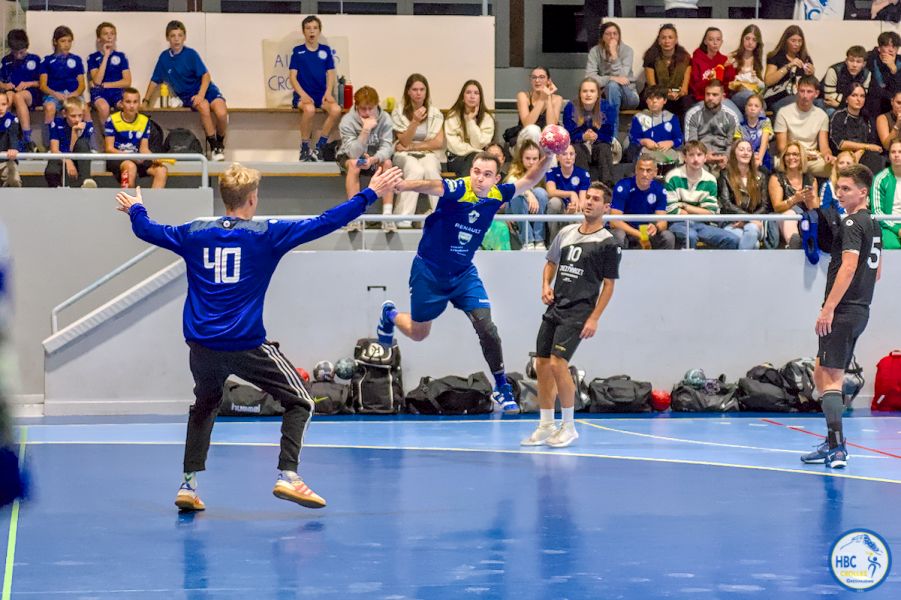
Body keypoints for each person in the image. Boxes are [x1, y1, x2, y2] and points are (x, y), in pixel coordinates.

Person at [115, 162, 404, 511]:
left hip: (202, 346)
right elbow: (326, 221)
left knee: (205, 405)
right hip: (246, 344)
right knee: (301, 401)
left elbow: (149, 231)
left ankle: (188, 485)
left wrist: (136, 208)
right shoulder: (266, 234)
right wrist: (370, 193)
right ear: (252, 199)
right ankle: (288, 475)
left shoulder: (193, 232)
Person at [375, 150, 554, 414]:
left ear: (496, 178)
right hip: (429, 272)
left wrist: (548, 156)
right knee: (419, 332)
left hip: (463, 274)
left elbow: (529, 179)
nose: (479, 179)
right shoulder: (459, 188)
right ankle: (389, 314)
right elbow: (432, 186)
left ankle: (501, 385)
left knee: (487, 328)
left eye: (487, 175)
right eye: (476, 172)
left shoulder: (496, 195)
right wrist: (403, 185)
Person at [521, 182, 621, 448]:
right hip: (556, 306)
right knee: (541, 363)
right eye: (588, 197)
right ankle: (546, 424)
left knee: (557, 363)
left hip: (580, 309)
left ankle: (569, 426)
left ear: (605, 206)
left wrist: (594, 318)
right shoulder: (565, 232)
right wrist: (545, 285)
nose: (589, 202)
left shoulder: (608, 243)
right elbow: (550, 263)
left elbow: (609, 285)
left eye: (596, 199)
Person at [800, 164, 881, 469]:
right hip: (861, 309)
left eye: (846, 188)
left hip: (844, 310)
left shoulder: (851, 224)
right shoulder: (874, 225)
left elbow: (848, 267)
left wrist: (828, 308)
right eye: (839, 188)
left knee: (830, 378)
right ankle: (832, 440)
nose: (840, 193)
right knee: (822, 371)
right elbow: (877, 271)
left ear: (863, 191)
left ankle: (837, 448)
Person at [144, 20, 228, 161]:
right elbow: (154, 80)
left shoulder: (191, 54)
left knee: (221, 112)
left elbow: (206, 76)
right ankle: (214, 147)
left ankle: (220, 141)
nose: (176, 39)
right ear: (167, 38)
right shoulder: (164, 58)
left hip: (206, 90)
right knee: (204, 107)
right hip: (188, 95)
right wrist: (146, 100)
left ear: (184, 37)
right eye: (173, 36)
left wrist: (201, 94)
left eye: (179, 35)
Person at [336, 85, 395, 230]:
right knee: (355, 164)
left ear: (377, 105)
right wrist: (365, 130)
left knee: (387, 163)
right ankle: (353, 216)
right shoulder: (347, 121)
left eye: (371, 108)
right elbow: (352, 152)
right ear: (356, 106)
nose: (367, 113)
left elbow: (387, 147)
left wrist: (373, 159)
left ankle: (387, 217)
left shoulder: (386, 119)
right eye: (363, 109)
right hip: (352, 155)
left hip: (375, 157)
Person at [390, 73, 445, 226]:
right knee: (415, 170)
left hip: (427, 153)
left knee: (431, 170)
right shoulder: (399, 112)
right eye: (415, 89)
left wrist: (414, 146)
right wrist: (414, 121)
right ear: (408, 91)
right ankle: (403, 221)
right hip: (402, 155)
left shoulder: (435, 113)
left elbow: (438, 143)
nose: (419, 93)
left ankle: (439, 216)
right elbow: (404, 141)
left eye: (422, 89)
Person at [289, 15, 343, 162]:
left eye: (315, 28)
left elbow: (331, 74)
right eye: (308, 28)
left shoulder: (325, 50)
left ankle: (320, 146)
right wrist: (303, 95)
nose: (311, 31)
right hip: (304, 96)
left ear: (319, 31)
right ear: (303, 31)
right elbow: (292, 76)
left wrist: (328, 93)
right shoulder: (298, 51)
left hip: (321, 95)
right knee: (309, 110)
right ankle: (305, 147)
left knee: (336, 110)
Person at [665, 140, 737, 249]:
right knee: (691, 236)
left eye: (699, 155)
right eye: (691, 155)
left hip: (701, 224)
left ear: (705, 158)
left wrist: (685, 206)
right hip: (678, 223)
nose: (695, 159)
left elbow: (711, 212)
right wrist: (699, 211)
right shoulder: (673, 176)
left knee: (732, 239)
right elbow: (671, 209)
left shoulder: (710, 179)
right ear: (685, 157)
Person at [104, 87, 168, 189]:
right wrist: (131, 156)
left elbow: (144, 149)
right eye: (128, 102)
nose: (132, 106)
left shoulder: (145, 121)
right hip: (118, 159)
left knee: (161, 170)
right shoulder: (112, 120)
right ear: (121, 103)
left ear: (139, 103)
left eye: (135, 102)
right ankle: (130, 203)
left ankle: (154, 203)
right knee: (130, 166)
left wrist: (154, 157)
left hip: (138, 159)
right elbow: (109, 149)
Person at [610, 154, 676, 249]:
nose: (644, 174)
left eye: (648, 170)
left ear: (655, 172)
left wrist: (656, 228)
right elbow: (614, 221)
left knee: (668, 236)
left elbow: (662, 222)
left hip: (647, 231)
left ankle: (663, 263)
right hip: (627, 231)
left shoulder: (660, 190)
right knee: (618, 235)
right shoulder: (623, 186)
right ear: (636, 170)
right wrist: (639, 234)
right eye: (641, 169)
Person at [774, 75, 834, 178]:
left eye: (809, 92)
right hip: (790, 156)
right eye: (802, 91)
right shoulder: (783, 112)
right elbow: (781, 147)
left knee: (836, 168)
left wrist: (828, 155)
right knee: (778, 163)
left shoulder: (822, 115)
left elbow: (824, 147)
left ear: (816, 94)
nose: (805, 95)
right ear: (797, 90)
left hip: (812, 159)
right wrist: (800, 155)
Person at [562, 77, 616, 185]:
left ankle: (607, 187)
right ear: (580, 94)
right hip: (579, 143)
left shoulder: (607, 107)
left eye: (592, 91)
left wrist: (597, 136)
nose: (588, 94)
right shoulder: (570, 107)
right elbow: (568, 134)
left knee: (604, 148)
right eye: (585, 91)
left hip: (599, 143)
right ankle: (583, 186)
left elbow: (609, 134)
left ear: (598, 94)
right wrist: (583, 136)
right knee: (577, 149)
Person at [39, 26, 85, 150]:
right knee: (49, 108)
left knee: (85, 108)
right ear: (55, 41)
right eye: (63, 41)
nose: (66, 45)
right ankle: (49, 146)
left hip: (73, 95)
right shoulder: (46, 61)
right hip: (54, 95)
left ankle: (84, 144)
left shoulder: (76, 59)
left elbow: (82, 85)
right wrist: (55, 94)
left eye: (69, 41)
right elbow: (43, 85)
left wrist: (74, 94)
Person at [718, 139, 770, 249]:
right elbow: (726, 203)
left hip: (755, 222)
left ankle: (739, 266)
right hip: (731, 222)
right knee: (753, 244)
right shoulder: (725, 175)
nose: (745, 153)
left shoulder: (761, 176)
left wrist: (748, 219)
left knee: (751, 230)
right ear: (734, 153)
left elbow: (765, 206)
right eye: (741, 150)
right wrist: (746, 218)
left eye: (749, 150)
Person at [586, 22, 639, 126]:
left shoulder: (627, 51)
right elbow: (589, 78)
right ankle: (610, 137)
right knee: (612, 85)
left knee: (613, 86)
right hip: (606, 95)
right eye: (608, 34)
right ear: (602, 37)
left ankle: (611, 137)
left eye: (615, 34)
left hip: (629, 95)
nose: (612, 37)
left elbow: (622, 77)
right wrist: (611, 78)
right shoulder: (595, 51)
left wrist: (614, 55)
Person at [684, 79, 740, 172]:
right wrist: (704, 156)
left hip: (723, 157)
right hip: (699, 157)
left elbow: (733, 143)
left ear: (723, 97)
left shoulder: (731, 116)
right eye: (708, 94)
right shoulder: (693, 114)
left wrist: (726, 157)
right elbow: (691, 143)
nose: (710, 98)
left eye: (715, 95)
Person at [828, 82, 885, 174]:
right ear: (846, 99)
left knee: (877, 158)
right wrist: (866, 147)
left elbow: (871, 141)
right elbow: (840, 144)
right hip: (841, 155)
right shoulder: (838, 116)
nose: (858, 99)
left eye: (862, 96)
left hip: (863, 154)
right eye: (854, 95)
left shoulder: (867, 118)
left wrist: (861, 150)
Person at [769, 141, 817, 248]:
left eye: (795, 154)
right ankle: (793, 243)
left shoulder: (810, 179)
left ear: (802, 157)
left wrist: (808, 200)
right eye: (787, 154)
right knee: (790, 213)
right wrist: (794, 199)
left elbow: (815, 208)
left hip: (804, 218)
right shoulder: (776, 178)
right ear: (783, 158)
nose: (791, 157)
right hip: (783, 218)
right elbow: (777, 207)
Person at [0, 29, 42, 152]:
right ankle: (5, 133)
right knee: (9, 96)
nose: (18, 55)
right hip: (13, 92)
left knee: (19, 97)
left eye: (21, 52)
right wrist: (5, 85)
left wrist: (28, 83)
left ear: (26, 46)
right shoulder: (6, 60)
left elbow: (42, 83)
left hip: (31, 94)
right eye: (15, 52)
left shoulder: (35, 59)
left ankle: (27, 138)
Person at [642, 24, 692, 121]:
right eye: (663, 38)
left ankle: (682, 135)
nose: (667, 41)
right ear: (659, 40)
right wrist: (666, 94)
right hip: (656, 93)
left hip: (677, 95)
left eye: (670, 37)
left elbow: (685, 89)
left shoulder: (685, 58)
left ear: (676, 40)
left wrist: (678, 94)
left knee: (687, 101)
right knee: (657, 101)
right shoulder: (651, 56)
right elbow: (652, 86)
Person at [444, 79, 495, 177]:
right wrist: (475, 151)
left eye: (476, 93)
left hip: (478, 159)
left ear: (480, 97)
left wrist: (471, 121)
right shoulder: (453, 115)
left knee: (476, 162)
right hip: (456, 158)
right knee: (475, 161)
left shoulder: (487, 118)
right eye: (468, 93)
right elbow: (454, 146)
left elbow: (478, 144)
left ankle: (466, 191)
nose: (472, 96)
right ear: (462, 97)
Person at [506, 140, 549, 250]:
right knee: (517, 194)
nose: (531, 162)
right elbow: (512, 184)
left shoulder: (543, 171)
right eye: (528, 158)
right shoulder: (515, 170)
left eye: (535, 159)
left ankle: (539, 240)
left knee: (541, 192)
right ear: (521, 158)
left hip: (536, 210)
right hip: (517, 208)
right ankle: (527, 240)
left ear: (539, 159)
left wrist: (533, 195)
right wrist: (528, 193)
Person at [45, 96, 96, 188]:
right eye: (73, 116)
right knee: (51, 169)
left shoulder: (87, 126)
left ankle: (86, 181)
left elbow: (75, 150)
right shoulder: (57, 123)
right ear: (64, 114)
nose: (77, 119)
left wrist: (74, 132)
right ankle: (56, 190)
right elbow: (54, 149)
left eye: (80, 116)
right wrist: (67, 160)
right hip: (60, 157)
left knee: (82, 143)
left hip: (78, 159)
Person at [763, 25, 815, 114]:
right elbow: (768, 81)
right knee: (797, 102)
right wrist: (788, 66)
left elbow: (809, 84)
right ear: (786, 41)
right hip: (778, 97)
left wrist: (811, 74)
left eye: (800, 41)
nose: (797, 44)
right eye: (793, 41)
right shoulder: (775, 57)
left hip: (800, 95)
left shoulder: (805, 58)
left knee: (818, 103)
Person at [88, 22, 131, 127]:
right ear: (99, 38)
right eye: (105, 34)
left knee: (129, 105)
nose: (109, 36)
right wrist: (106, 56)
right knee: (103, 107)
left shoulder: (121, 57)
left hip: (117, 92)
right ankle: (107, 139)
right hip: (100, 93)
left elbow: (127, 82)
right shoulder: (93, 58)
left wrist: (106, 85)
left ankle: (126, 138)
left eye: (112, 33)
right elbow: (97, 81)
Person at [545, 143, 590, 245]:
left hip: (574, 210)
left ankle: (576, 245)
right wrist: (571, 193)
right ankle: (554, 243)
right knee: (554, 202)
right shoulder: (551, 172)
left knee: (579, 214)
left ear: (575, 157)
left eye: (571, 154)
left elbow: (582, 202)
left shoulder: (583, 174)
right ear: (557, 157)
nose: (568, 157)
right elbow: (550, 191)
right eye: (564, 154)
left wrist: (573, 209)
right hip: (559, 211)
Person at [506, 67, 562, 149]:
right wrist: (542, 99)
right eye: (534, 77)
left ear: (549, 81)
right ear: (530, 80)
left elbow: (551, 126)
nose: (537, 80)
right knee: (533, 130)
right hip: (525, 141)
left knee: (552, 139)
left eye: (541, 77)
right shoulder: (523, 96)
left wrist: (548, 97)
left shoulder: (557, 99)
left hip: (546, 144)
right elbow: (527, 125)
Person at [627, 85, 682, 166]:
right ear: (646, 101)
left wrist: (671, 142)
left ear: (665, 100)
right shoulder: (638, 118)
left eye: (658, 98)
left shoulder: (672, 118)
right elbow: (632, 139)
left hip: (666, 156)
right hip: (643, 157)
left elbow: (679, 138)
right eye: (650, 98)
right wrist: (643, 141)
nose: (654, 101)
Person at [689, 27, 738, 114]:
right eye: (711, 39)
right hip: (703, 99)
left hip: (722, 99)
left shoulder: (724, 60)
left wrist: (729, 68)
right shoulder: (696, 60)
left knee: (736, 115)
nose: (715, 43)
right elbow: (695, 86)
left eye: (718, 40)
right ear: (705, 41)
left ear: (721, 42)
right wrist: (715, 73)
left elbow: (729, 84)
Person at [727, 25, 766, 115]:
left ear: (757, 43)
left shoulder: (760, 60)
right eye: (747, 38)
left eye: (754, 40)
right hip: (737, 95)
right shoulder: (733, 57)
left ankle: (760, 127)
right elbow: (728, 84)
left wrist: (755, 79)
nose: (750, 42)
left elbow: (762, 86)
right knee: (753, 101)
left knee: (755, 107)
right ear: (742, 39)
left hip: (754, 96)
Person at [821, 46, 871, 116]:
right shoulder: (834, 70)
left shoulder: (867, 74)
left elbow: (862, 97)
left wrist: (841, 103)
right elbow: (829, 96)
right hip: (827, 103)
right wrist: (850, 100)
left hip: (843, 103)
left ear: (864, 64)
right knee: (833, 112)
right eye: (851, 60)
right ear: (846, 61)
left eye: (858, 62)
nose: (854, 65)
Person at [871, 139, 901, 249]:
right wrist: (898, 229)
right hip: (888, 227)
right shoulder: (880, 179)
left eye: (900, 152)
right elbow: (878, 212)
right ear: (889, 155)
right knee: (893, 246)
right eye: (893, 152)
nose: (896, 155)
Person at [864, 31, 901, 119]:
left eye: (894, 47)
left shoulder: (899, 62)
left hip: (894, 104)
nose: (891, 50)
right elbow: (873, 88)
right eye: (887, 46)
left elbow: (898, 90)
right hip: (874, 104)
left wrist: (894, 70)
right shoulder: (870, 59)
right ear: (879, 48)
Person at [734, 93, 773, 171]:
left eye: (756, 106)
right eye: (750, 105)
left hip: (762, 157)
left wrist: (759, 160)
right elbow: (738, 146)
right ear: (745, 108)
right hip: (745, 158)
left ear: (761, 109)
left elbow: (764, 142)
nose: (752, 108)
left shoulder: (765, 122)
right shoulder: (739, 127)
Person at [819, 150, 856, 214]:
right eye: (841, 163)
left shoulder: (859, 186)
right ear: (836, 165)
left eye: (848, 163)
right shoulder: (828, 186)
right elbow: (824, 211)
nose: (845, 166)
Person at [0, 93, 21, 187]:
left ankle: (17, 201)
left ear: (7, 105)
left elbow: (14, 136)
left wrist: (13, 148)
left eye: (3, 104)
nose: (0, 108)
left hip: (6, 160)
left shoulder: (12, 120)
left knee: (14, 180)